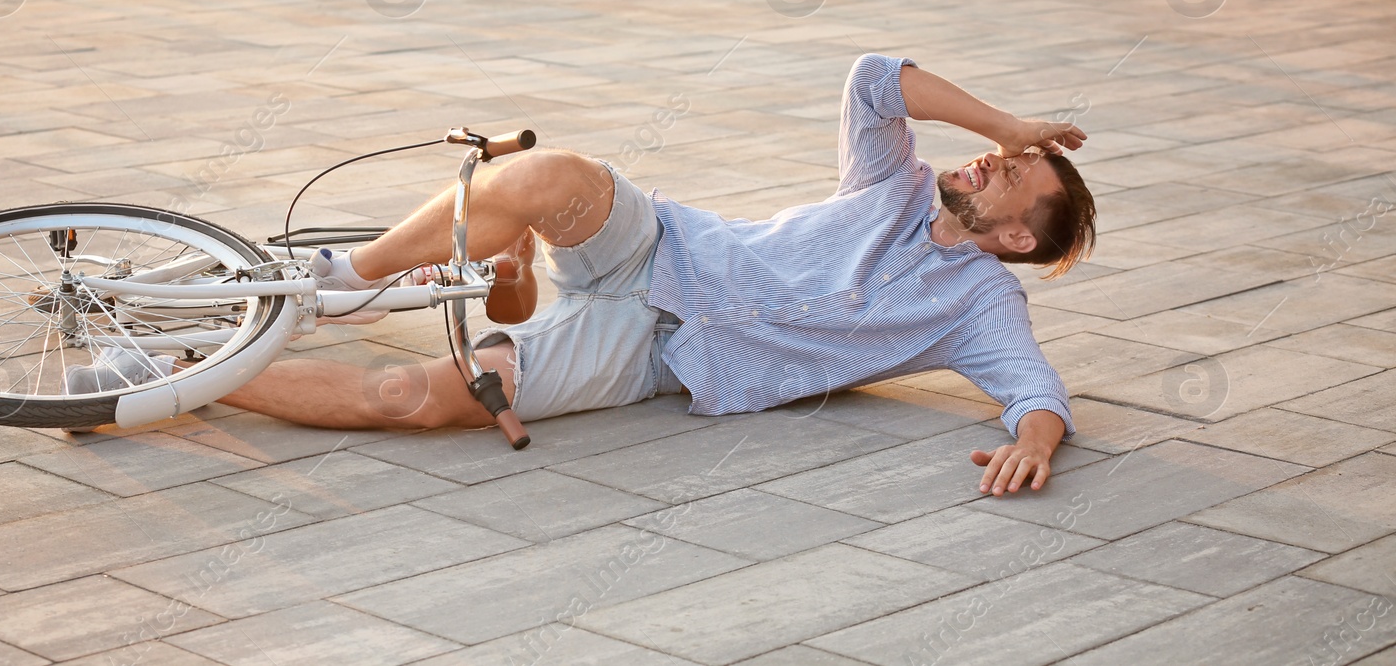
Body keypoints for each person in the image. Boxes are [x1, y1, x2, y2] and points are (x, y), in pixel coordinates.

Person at [80, 54, 1095, 497]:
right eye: (998, 152)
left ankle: (161, 371)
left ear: (1014, 238)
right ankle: (353, 274)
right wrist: (1004, 120)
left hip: (654, 353)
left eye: (1007, 172)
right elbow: (875, 74)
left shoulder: (976, 303)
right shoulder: (896, 180)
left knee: (420, 397)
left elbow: (1032, 393)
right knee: (557, 174)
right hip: (665, 245)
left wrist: (1034, 447)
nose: (986, 162)